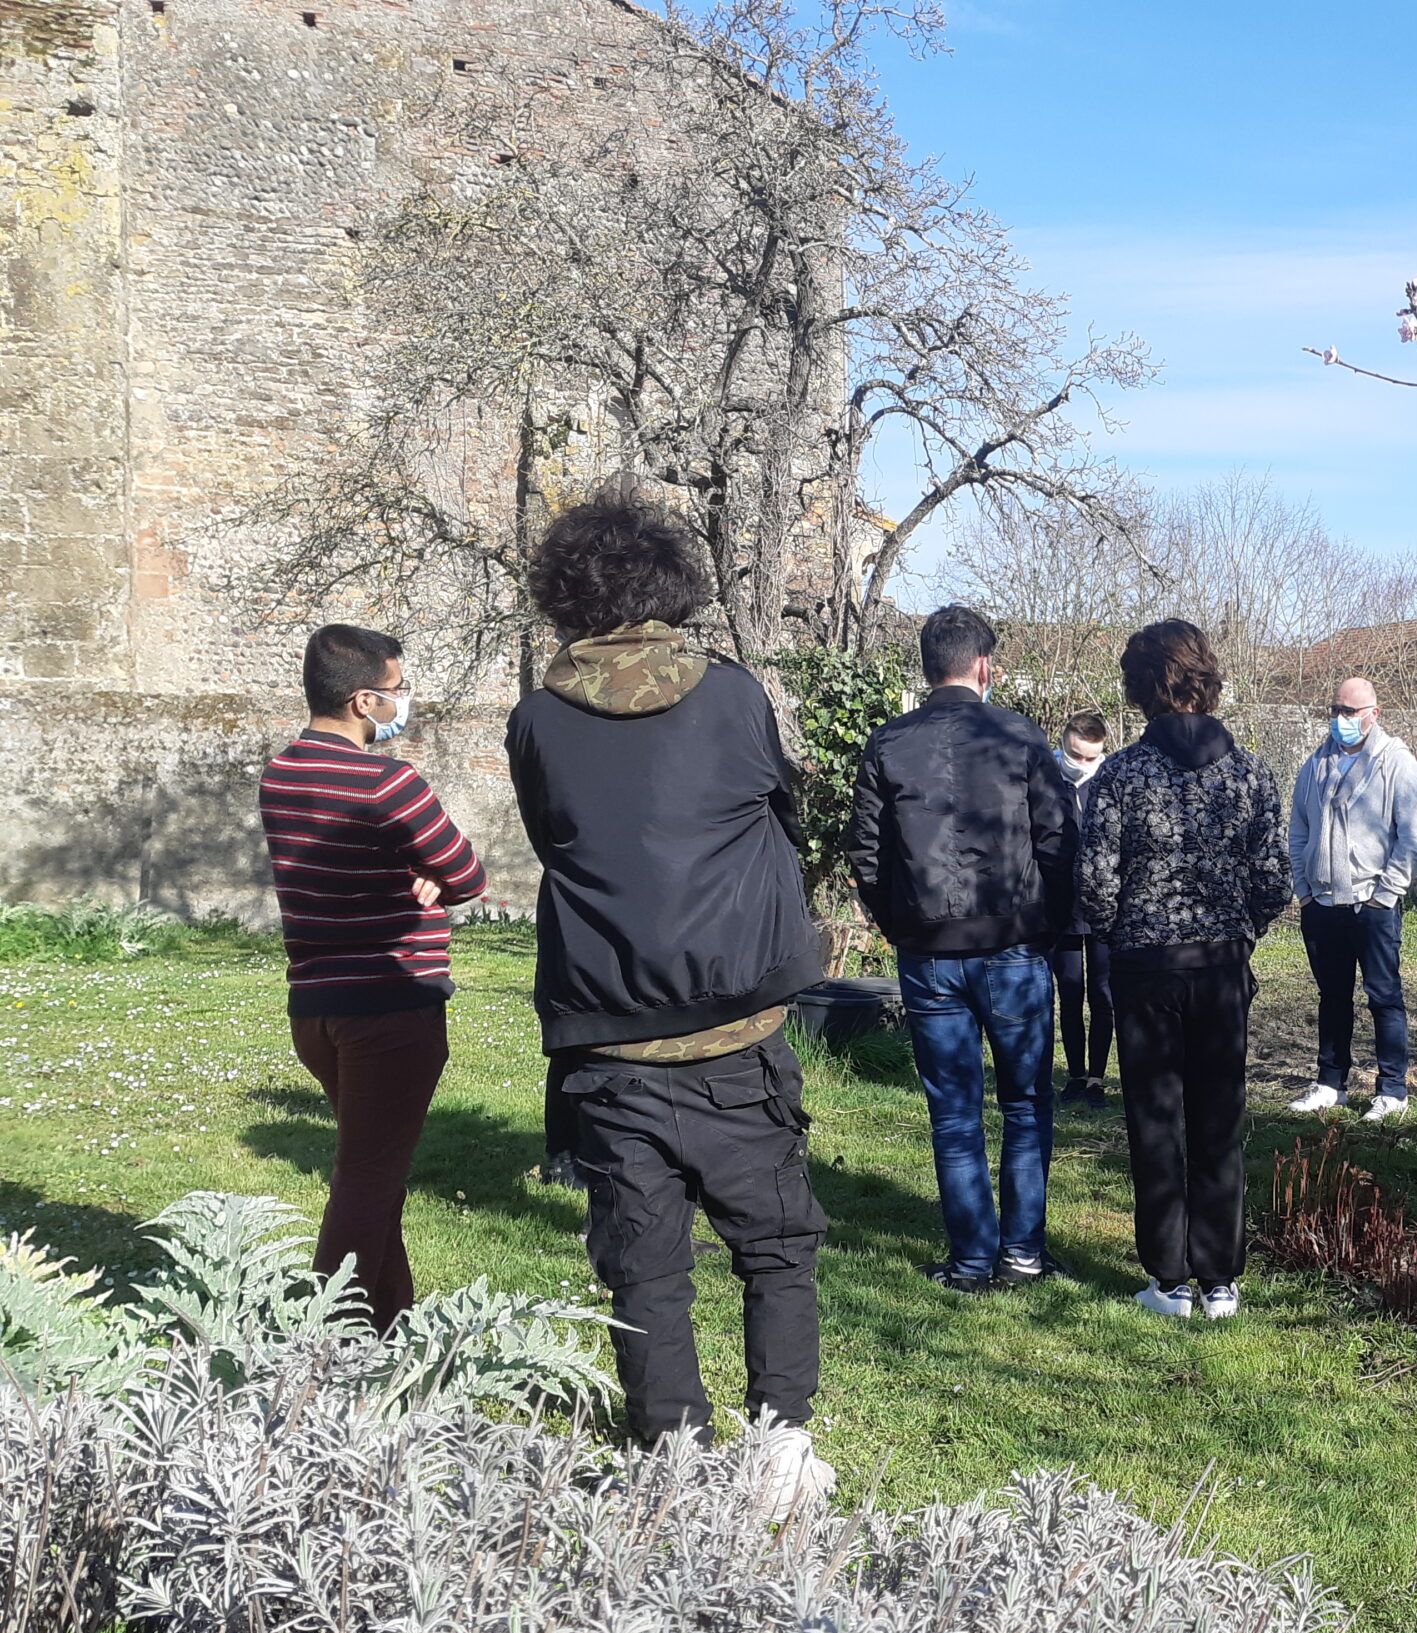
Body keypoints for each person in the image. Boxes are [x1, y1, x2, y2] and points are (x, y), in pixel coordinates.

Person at [506, 494, 834, 1514]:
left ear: (565, 596)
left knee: (644, 1265)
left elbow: (553, 836)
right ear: (671, 586)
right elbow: (786, 804)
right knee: (775, 1248)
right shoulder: (733, 697)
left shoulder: (538, 718)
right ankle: (779, 1453)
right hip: (735, 1026)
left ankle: (673, 1461)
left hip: (608, 1035)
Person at [259, 623, 487, 1332]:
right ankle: (326, 1350)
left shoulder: (281, 772)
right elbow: (468, 874)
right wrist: (429, 875)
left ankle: (389, 1323)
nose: (403, 702)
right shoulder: (388, 782)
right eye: (398, 691)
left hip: (316, 1009)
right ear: (364, 701)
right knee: (366, 1182)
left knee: (374, 1173)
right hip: (392, 1009)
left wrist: (424, 872)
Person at [846, 604, 1077, 1292]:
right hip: (1011, 949)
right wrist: (1049, 928)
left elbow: (864, 852)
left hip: (930, 955)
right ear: (984, 666)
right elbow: (1060, 843)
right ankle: (1022, 1254)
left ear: (927, 666)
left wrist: (901, 925)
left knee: (954, 1109)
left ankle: (973, 1259)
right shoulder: (1019, 735)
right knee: (1026, 1105)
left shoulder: (889, 741)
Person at [1079, 620, 1292, 1321]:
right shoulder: (1250, 772)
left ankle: (1168, 1279)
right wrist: (1239, 933)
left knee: (1155, 1117)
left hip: (1147, 966)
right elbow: (1272, 881)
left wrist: (1121, 933)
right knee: (1218, 1116)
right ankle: (1221, 1278)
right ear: (1207, 679)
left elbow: (1096, 884)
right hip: (1222, 966)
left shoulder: (1120, 774)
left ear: (1141, 689)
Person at [1285, 676, 1417, 1121]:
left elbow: (1413, 838)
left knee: (1384, 997)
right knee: (1331, 997)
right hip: (1322, 905)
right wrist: (1304, 891)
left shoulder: (1397, 763)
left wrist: (1386, 895)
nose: (1341, 720)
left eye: (1349, 712)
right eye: (1335, 710)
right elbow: (1297, 830)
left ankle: (1392, 1089)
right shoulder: (1315, 764)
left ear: (1374, 713)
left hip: (1373, 904)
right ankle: (1331, 1083)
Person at [1053, 709, 1116, 1110]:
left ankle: (1097, 1078)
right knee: (1070, 992)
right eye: (1076, 756)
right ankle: (1075, 1075)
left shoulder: (1111, 784)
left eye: (1092, 758)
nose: (1083, 765)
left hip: (1104, 909)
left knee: (1103, 994)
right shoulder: (1046, 782)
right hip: (1061, 910)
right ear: (1063, 747)